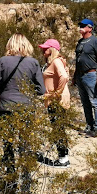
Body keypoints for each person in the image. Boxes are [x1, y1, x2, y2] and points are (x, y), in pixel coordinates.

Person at [0, 34, 46, 174]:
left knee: (8, 143)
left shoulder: (3, 61)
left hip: (7, 107)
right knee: (25, 144)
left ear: (10, 45)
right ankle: (26, 181)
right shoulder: (33, 63)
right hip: (26, 107)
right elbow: (41, 90)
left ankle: (11, 178)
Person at [38, 38, 70, 168]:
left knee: (58, 127)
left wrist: (56, 93)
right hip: (54, 99)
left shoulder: (56, 61)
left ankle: (63, 158)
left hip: (57, 100)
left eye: (46, 48)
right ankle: (63, 156)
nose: (43, 50)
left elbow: (64, 77)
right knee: (58, 126)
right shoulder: (53, 62)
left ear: (52, 49)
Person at [72, 18, 97, 138]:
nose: (81, 27)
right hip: (80, 75)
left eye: (84, 25)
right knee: (85, 102)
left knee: (94, 101)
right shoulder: (80, 42)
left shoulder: (95, 41)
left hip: (90, 75)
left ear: (90, 28)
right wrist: (75, 76)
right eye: (80, 25)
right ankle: (89, 126)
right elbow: (78, 60)